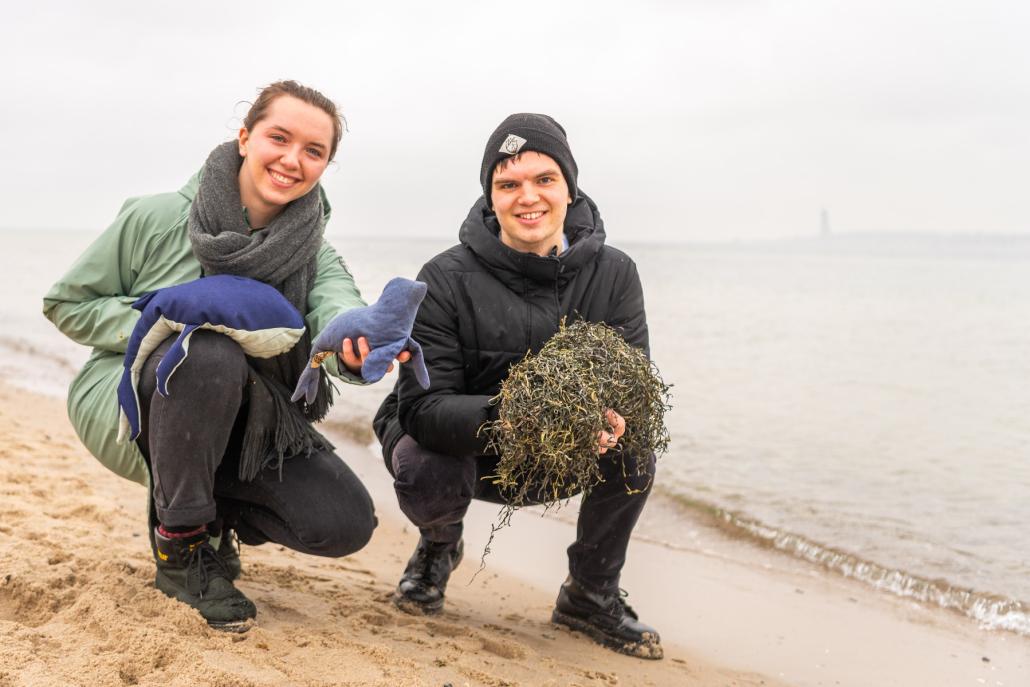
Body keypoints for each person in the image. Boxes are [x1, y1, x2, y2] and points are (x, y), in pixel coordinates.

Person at [44, 81, 405, 630]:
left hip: (248, 414)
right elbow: (66, 302)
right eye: (278, 138)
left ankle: (208, 515)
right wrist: (158, 329)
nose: (292, 159)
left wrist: (356, 348)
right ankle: (182, 546)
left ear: (326, 164)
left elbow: (337, 312)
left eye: (314, 151)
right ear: (244, 137)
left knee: (342, 522)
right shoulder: (156, 216)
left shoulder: (316, 254)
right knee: (206, 350)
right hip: (129, 397)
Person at [373, 113, 662, 659]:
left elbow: (633, 381)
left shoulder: (615, 274)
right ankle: (439, 546)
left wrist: (616, 419)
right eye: (508, 184)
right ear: (491, 196)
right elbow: (422, 408)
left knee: (637, 446)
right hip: (465, 448)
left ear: (569, 188)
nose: (527, 197)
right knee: (424, 464)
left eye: (544, 180)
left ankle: (589, 593)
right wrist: (507, 417)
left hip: (558, 453)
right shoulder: (443, 277)